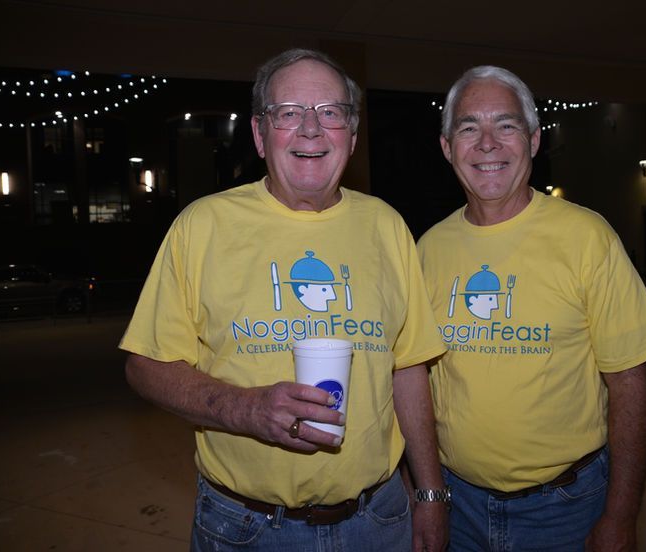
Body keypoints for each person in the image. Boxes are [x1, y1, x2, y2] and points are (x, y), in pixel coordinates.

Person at [120, 48, 449, 552]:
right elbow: (145, 366)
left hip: (379, 521)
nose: (311, 129)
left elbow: (407, 368)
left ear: (352, 136)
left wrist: (429, 492)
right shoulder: (203, 226)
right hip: (246, 528)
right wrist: (245, 408)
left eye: (330, 112)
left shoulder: (386, 226)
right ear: (259, 134)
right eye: (288, 113)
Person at [417, 65, 646, 551]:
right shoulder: (427, 250)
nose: (487, 143)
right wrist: (427, 494)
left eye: (506, 125)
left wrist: (621, 515)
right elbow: (415, 384)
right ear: (447, 147)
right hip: (459, 507)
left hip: (567, 509)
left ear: (534, 140)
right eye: (469, 128)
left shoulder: (588, 238)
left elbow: (630, 382)